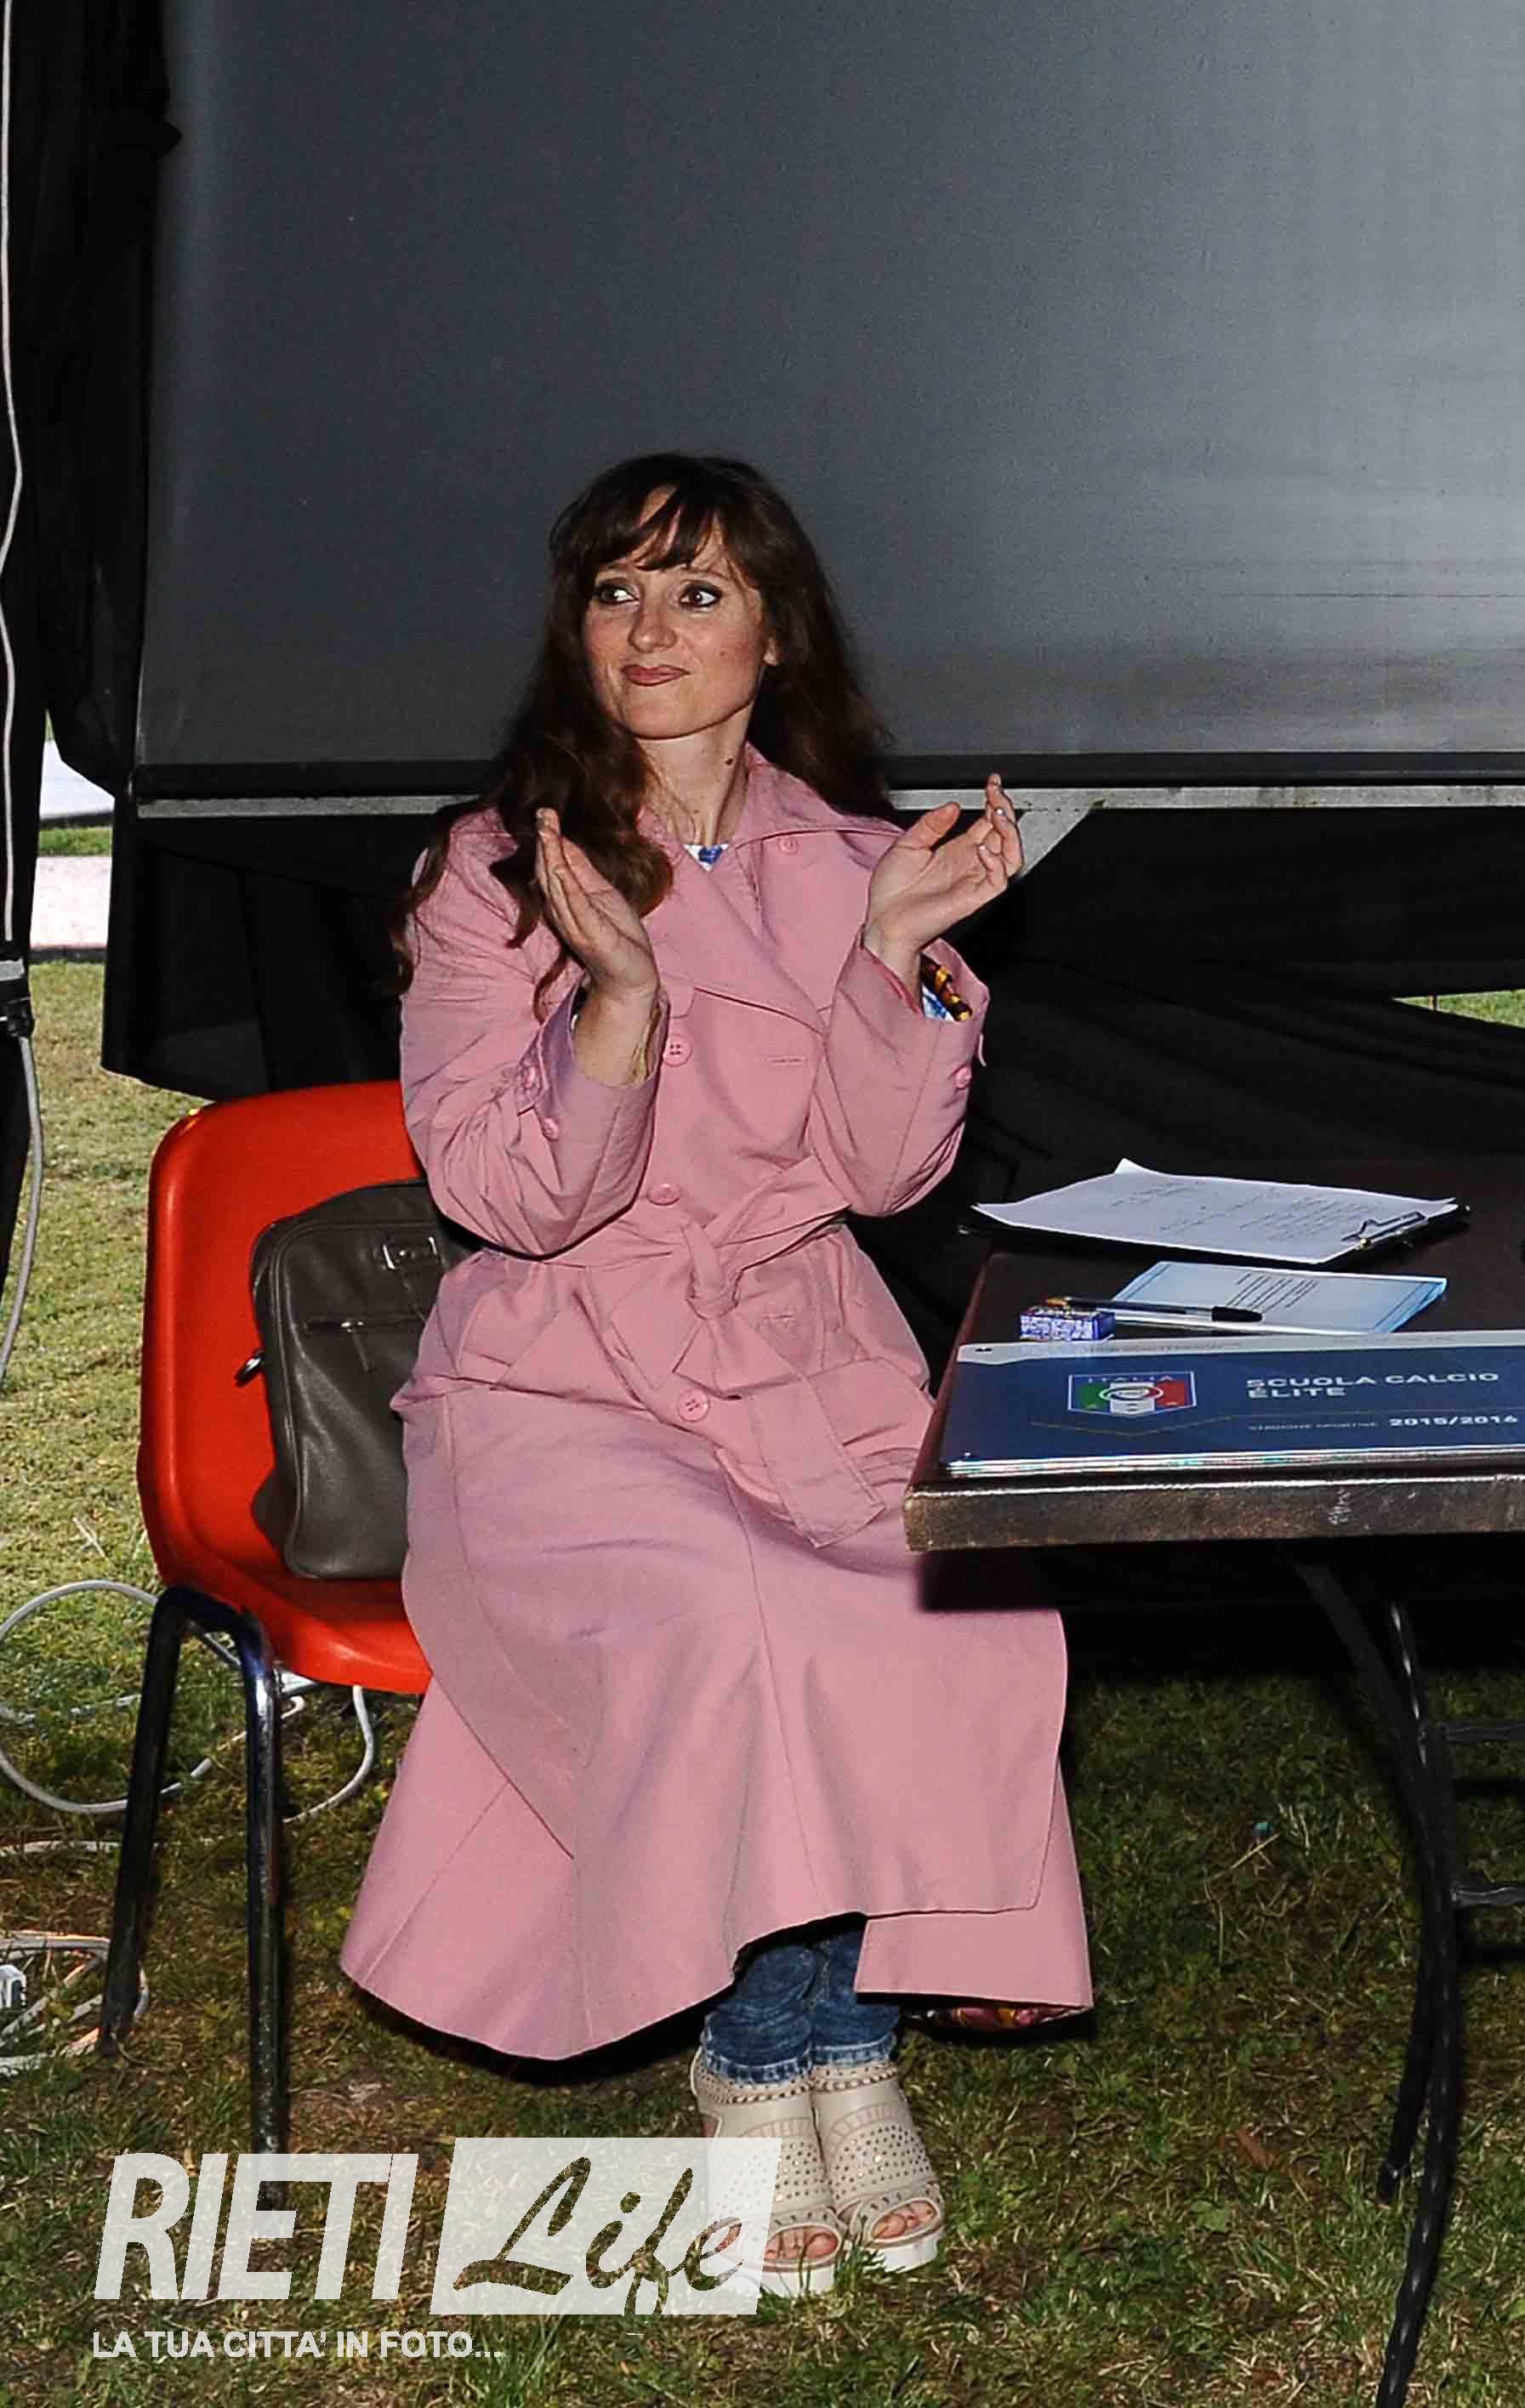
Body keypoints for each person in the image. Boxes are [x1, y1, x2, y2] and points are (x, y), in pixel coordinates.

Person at [341, 454, 1090, 2296]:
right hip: (556, 1377)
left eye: (695, 592)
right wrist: (615, 1006)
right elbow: (510, 1197)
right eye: (614, 592)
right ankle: (764, 2057)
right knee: (737, 1618)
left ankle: (848, 2044)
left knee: (946, 1608)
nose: (648, 631)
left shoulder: (859, 866)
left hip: (802, 1350)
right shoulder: (494, 870)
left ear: (776, 634)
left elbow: (885, 1178)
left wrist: (900, 956)